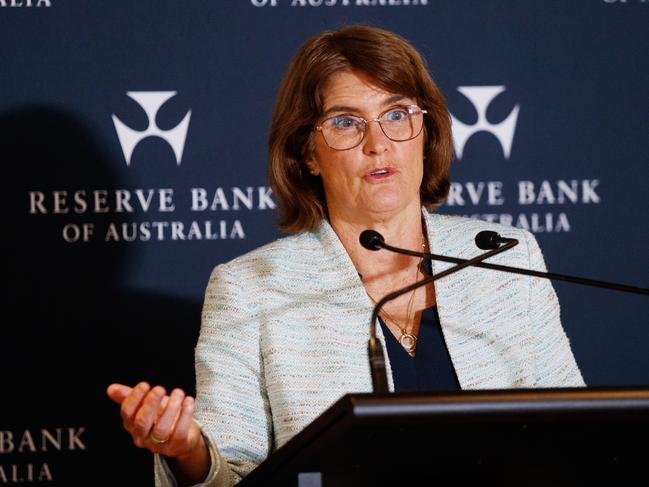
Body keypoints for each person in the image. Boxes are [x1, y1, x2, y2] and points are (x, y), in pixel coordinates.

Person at [107, 24, 584, 486]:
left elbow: (579, 438)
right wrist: (189, 452)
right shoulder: (251, 287)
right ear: (308, 154)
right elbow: (233, 477)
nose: (378, 144)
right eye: (346, 122)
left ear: (427, 130)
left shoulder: (504, 259)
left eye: (397, 114)